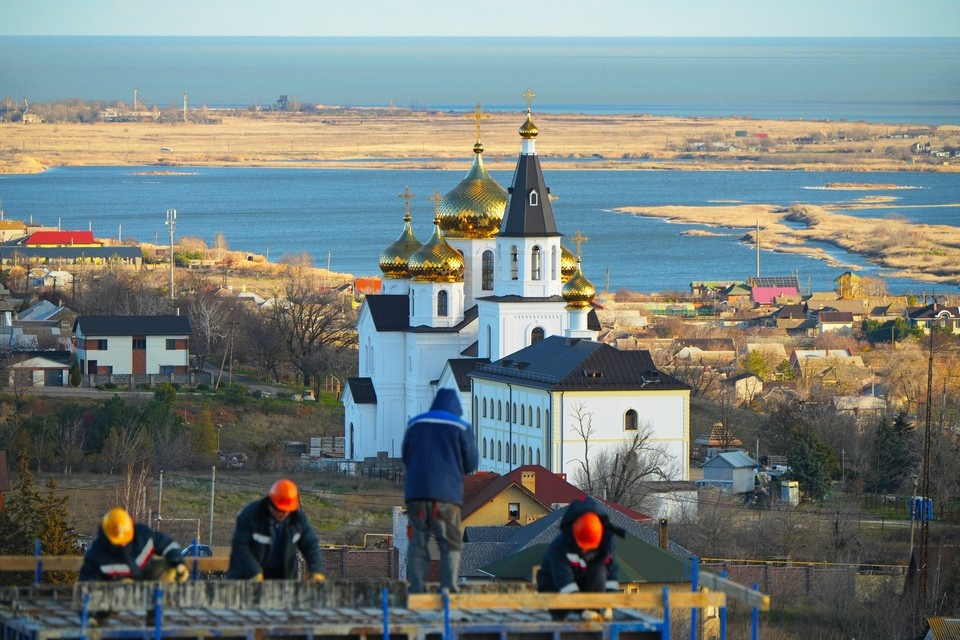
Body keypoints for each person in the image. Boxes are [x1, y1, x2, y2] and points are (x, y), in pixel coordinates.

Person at [402, 387, 479, 593]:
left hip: (416, 495)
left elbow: (405, 456)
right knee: (449, 542)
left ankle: (416, 588)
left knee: (418, 541)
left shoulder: (415, 423)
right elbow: (471, 463)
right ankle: (448, 588)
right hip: (446, 496)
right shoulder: (462, 427)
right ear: (456, 408)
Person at [537, 497, 625, 621]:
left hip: (585, 587)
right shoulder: (560, 547)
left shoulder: (606, 543)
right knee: (561, 615)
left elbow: (612, 574)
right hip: (556, 589)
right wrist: (583, 610)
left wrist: (609, 604)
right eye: (583, 545)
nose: (585, 551)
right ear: (574, 532)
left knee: (600, 570)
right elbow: (564, 582)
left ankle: (594, 610)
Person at [226, 478, 325, 581]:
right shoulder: (250, 516)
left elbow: (310, 545)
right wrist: (253, 571)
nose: (282, 514)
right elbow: (239, 546)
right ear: (270, 503)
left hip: (282, 578)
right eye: (279, 510)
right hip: (244, 579)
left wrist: (316, 569)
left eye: (286, 511)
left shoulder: (297, 520)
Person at [79, 507, 189, 582]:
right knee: (123, 585)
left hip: (148, 575)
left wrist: (178, 563)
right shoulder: (97, 553)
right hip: (120, 594)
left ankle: (157, 611)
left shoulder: (144, 535)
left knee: (169, 570)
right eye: (118, 541)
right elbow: (88, 583)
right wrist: (93, 615)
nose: (123, 543)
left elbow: (168, 545)